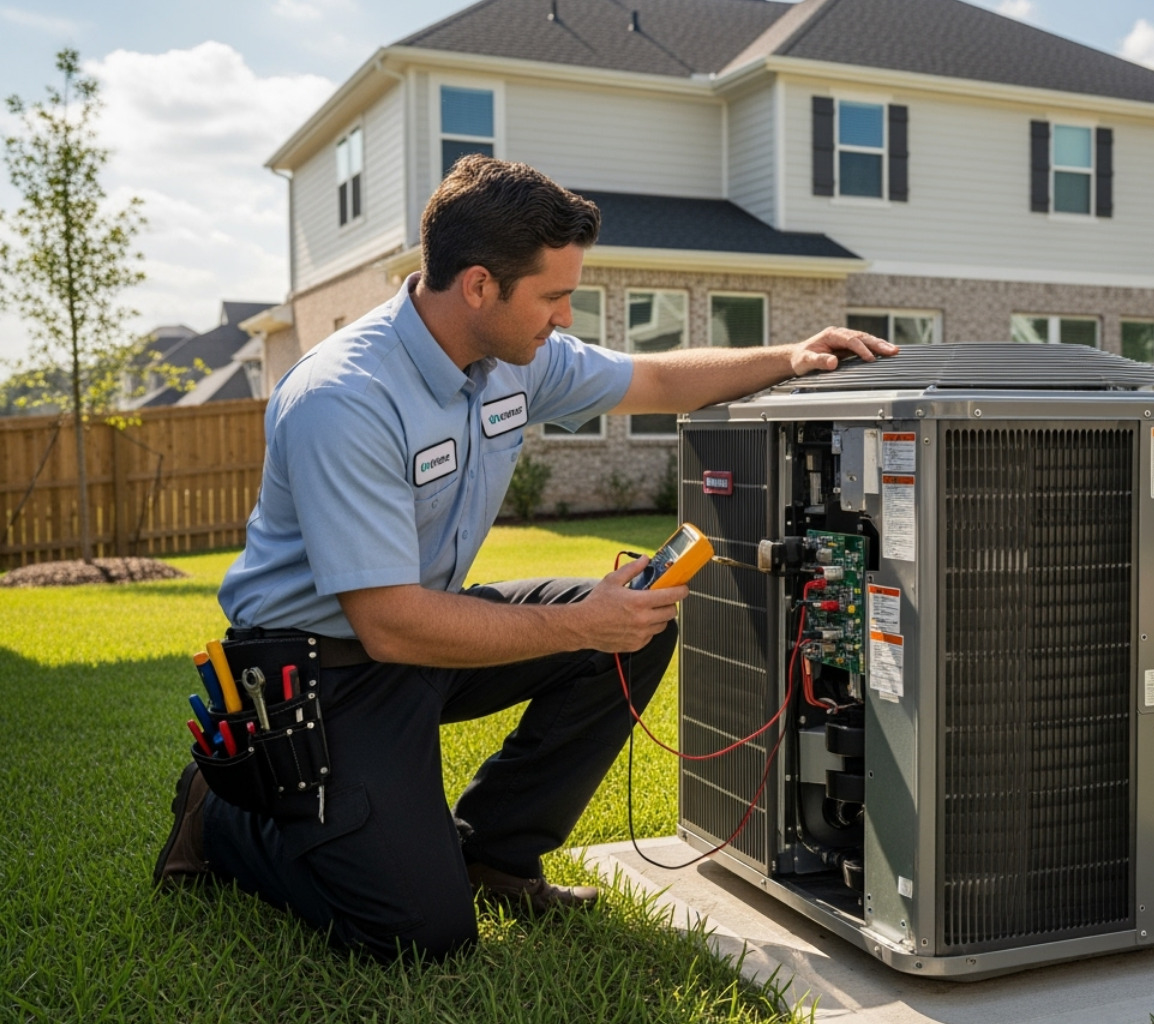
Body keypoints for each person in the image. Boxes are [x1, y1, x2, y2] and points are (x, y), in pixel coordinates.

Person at [151, 156, 896, 962]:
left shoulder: (515, 359)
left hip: (421, 624)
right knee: (416, 937)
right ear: (478, 286)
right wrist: (579, 621)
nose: (564, 315)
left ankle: (491, 854)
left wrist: (790, 356)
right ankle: (224, 817)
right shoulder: (345, 399)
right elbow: (390, 625)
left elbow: (650, 378)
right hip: (325, 672)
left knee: (632, 628)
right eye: (552, 296)